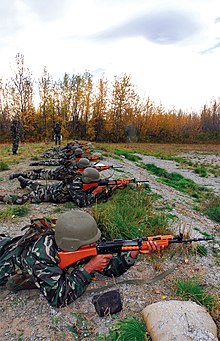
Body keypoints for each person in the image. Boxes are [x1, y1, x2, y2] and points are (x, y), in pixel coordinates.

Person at [0, 210, 163, 307]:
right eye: (90, 243)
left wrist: (135, 250)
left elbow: (111, 268)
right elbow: (58, 298)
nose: (95, 244)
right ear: (72, 245)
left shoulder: (76, 245)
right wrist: (88, 268)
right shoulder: (41, 255)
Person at [0, 168, 110, 207]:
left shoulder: (80, 179)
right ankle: (2, 198)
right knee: (23, 199)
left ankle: (23, 180)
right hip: (48, 195)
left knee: (36, 186)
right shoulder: (75, 185)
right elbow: (82, 203)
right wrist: (95, 192)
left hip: (53, 188)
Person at [9, 158, 91, 181]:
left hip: (54, 172)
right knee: (35, 176)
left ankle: (39, 170)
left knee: (40, 173)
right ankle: (17, 175)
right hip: (53, 175)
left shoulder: (73, 165)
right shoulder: (73, 169)